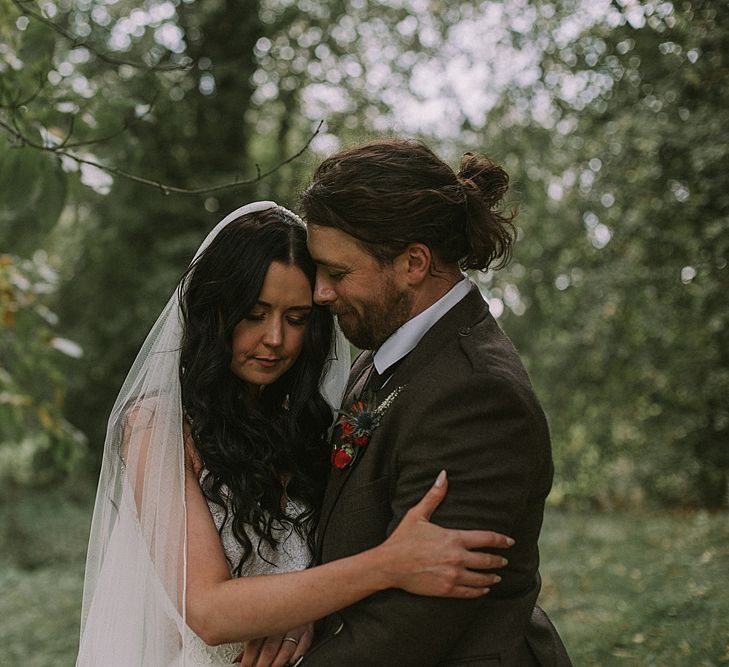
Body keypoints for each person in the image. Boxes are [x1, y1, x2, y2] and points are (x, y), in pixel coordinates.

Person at [76, 201, 514, 667]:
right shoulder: (156, 427)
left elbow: (310, 566)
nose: (276, 339)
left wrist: (302, 609)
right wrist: (389, 564)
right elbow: (208, 610)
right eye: (255, 313)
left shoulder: (308, 426)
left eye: (297, 318)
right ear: (215, 311)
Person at [299, 140, 573, 666]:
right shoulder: (391, 351)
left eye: (338, 273)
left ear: (414, 263)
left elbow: (418, 621)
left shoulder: (476, 394)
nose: (320, 294)